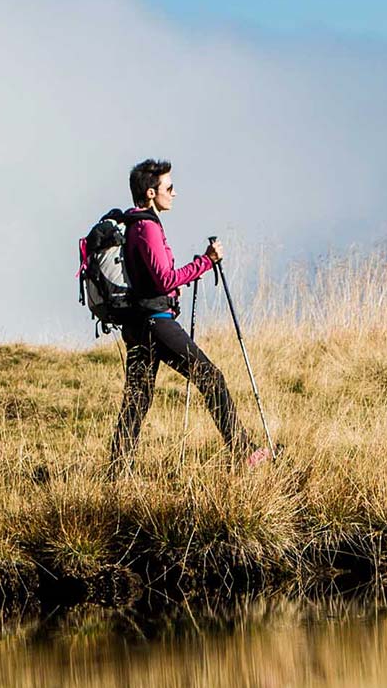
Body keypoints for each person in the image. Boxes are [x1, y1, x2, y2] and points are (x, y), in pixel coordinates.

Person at [107, 159, 271, 470]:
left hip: (138, 324)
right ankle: (244, 452)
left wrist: (175, 287)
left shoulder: (134, 226)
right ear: (152, 192)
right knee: (211, 377)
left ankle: (116, 471)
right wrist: (206, 262)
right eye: (169, 188)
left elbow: (156, 280)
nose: (175, 193)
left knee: (137, 399)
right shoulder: (147, 228)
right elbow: (164, 279)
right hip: (156, 323)